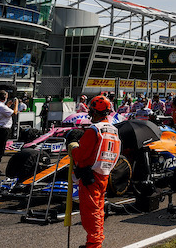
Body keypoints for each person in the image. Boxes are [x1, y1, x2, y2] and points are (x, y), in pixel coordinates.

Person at [68, 95, 120, 248]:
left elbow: (82, 154)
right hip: (104, 173)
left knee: (90, 212)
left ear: (95, 112)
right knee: (98, 210)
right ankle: (95, 241)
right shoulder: (114, 130)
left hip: (90, 174)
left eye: (91, 111)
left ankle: (94, 244)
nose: (90, 114)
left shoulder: (93, 130)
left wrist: (73, 147)